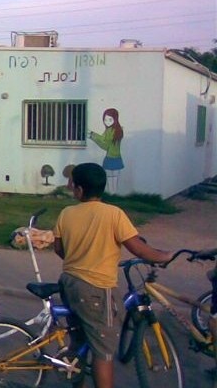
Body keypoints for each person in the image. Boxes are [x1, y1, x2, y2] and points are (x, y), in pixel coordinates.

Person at [53, 162, 174, 388]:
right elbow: (137, 248)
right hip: (97, 289)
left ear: (79, 190)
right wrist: (163, 256)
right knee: (104, 351)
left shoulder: (66, 213)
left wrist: (80, 259)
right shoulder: (114, 214)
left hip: (69, 282)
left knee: (79, 339)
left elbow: (59, 249)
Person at [89, 108, 124, 194]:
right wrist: (93, 135)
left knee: (110, 180)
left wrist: (93, 136)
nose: (107, 122)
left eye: (110, 119)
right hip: (117, 158)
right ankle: (113, 196)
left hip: (110, 158)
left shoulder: (110, 131)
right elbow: (104, 141)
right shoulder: (118, 129)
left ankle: (112, 195)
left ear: (115, 119)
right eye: (105, 119)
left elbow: (104, 144)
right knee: (114, 180)